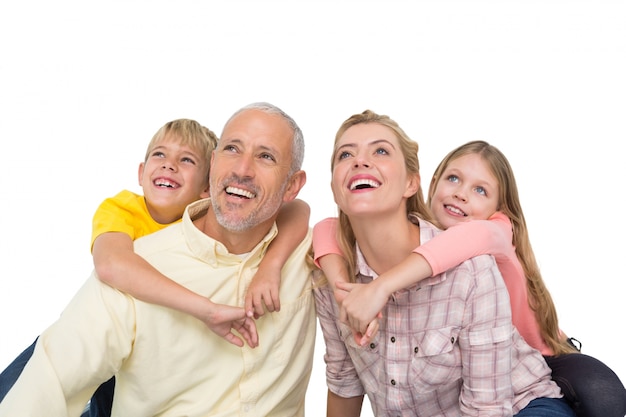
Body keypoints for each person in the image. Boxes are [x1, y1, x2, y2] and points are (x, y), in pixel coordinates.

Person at [0, 102, 317, 416]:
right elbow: (42, 391)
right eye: (233, 148)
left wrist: (272, 264)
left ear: (292, 185)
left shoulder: (310, 254)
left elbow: (306, 215)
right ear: (215, 165)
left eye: (265, 156)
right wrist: (204, 308)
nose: (243, 169)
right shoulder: (134, 261)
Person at [314, 140, 626, 417]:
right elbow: (327, 227)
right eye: (453, 179)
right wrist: (343, 289)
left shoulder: (494, 232)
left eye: (480, 190)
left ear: (498, 209)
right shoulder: (423, 234)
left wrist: (380, 287)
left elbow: (463, 240)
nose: (461, 194)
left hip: (540, 359)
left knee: (602, 396)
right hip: (482, 371)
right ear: (433, 183)